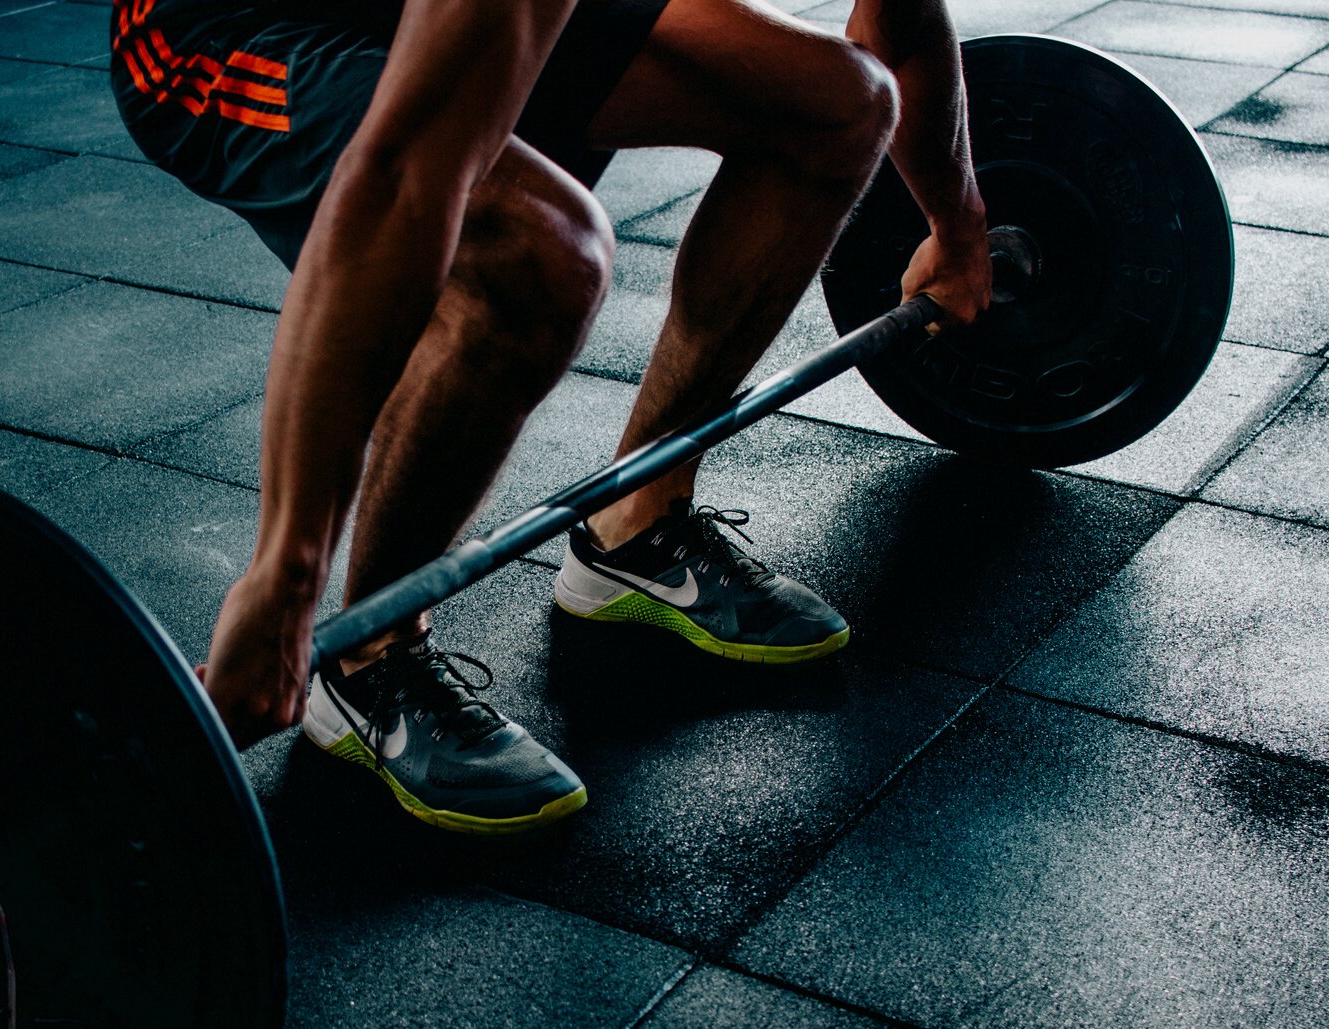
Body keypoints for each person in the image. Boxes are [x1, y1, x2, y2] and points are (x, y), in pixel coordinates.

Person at [110, 0, 990, 834]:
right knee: (541, 252)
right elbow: (404, 175)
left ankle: (635, 523)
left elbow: (900, 28)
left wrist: (957, 225)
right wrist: (285, 575)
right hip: (226, 28)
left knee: (838, 104)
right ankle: (368, 658)